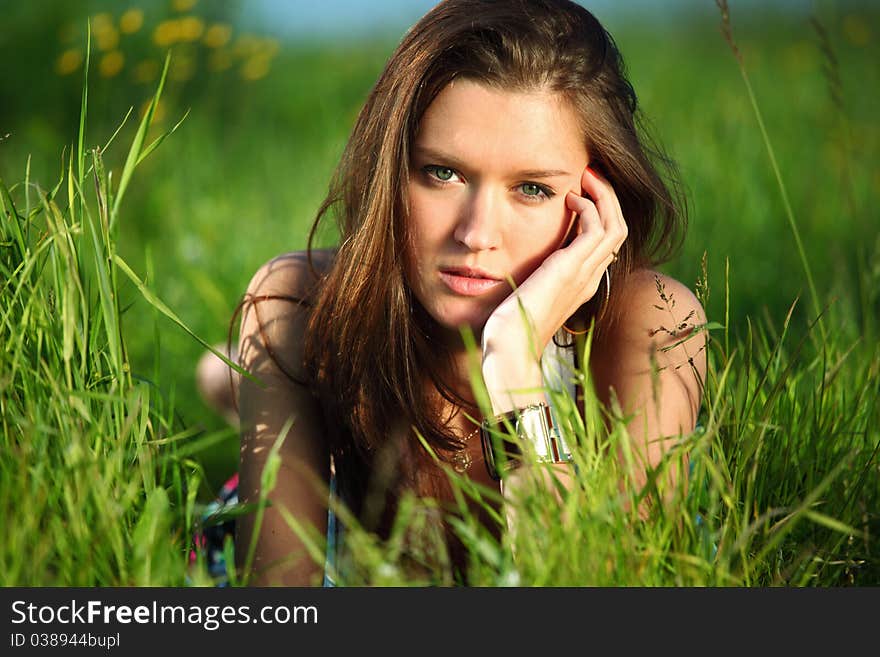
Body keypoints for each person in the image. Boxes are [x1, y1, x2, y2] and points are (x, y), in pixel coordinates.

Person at [209, 0, 708, 586]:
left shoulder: (654, 324)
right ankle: (223, 380)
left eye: (531, 189)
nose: (475, 236)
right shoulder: (296, 305)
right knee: (238, 372)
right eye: (443, 173)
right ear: (391, 169)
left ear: (599, 200)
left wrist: (515, 363)